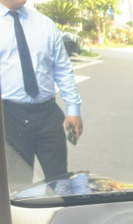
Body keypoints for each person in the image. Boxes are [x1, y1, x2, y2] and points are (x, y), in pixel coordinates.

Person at [0, 0, 83, 188]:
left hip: (48, 116)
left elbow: (62, 68)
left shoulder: (45, 24)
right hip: (10, 118)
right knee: (18, 186)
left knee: (59, 182)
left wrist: (73, 109)